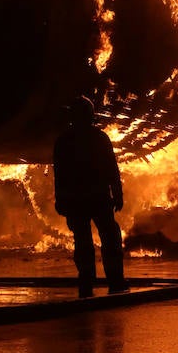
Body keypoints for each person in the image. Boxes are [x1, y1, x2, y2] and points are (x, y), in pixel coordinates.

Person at [52, 95, 127, 298]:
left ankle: (88, 280)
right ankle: (114, 279)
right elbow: (112, 169)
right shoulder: (99, 138)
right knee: (108, 237)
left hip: (80, 199)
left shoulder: (64, 141)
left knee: (84, 241)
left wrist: (61, 199)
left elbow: (60, 174)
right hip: (97, 197)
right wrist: (117, 194)